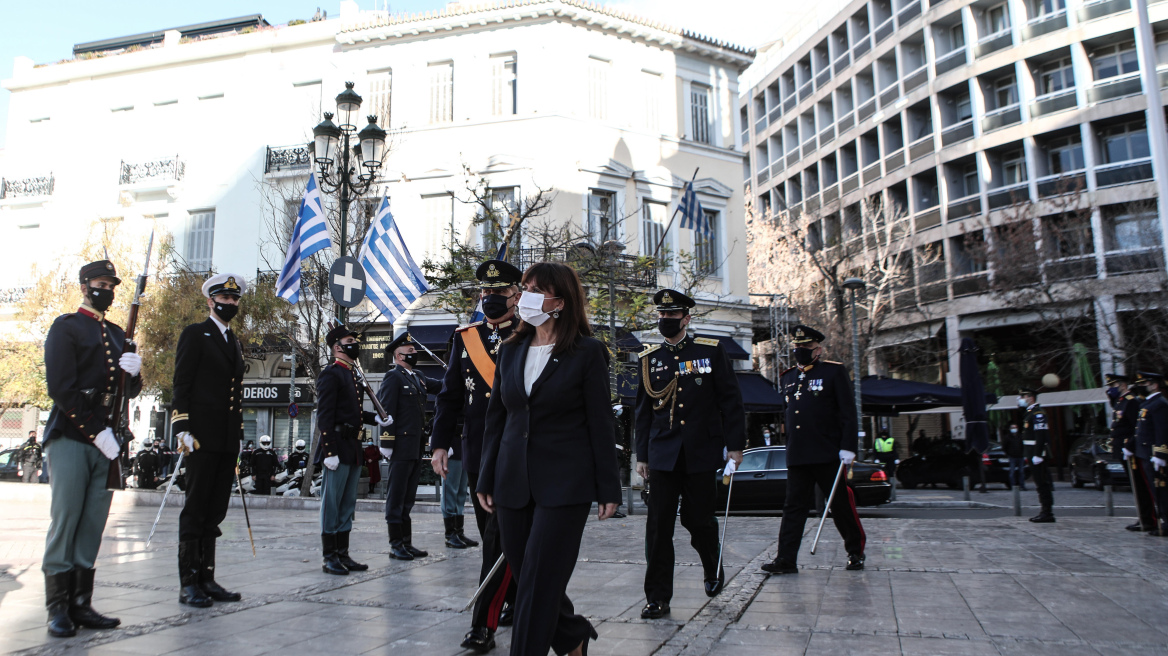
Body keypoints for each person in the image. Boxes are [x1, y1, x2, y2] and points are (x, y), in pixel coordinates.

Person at [477, 262, 621, 656]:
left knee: (539, 582)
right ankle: (572, 635)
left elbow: (600, 423)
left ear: (560, 301)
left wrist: (609, 486)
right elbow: (497, 420)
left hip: (564, 485)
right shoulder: (510, 350)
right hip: (512, 482)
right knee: (529, 579)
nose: (524, 296)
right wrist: (486, 476)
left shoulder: (587, 352)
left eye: (536, 290)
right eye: (524, 288)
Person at [41, 259, 142, 637]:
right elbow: (61, 388)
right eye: (100, 284)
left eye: (111, 286)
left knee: (93, 522)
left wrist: (136, 372)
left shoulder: (117, 334)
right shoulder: (66, 327)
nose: (107, 291)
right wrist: (95, 431)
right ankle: (57, 607)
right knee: (67, 517)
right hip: (72, 434)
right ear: (84, 287)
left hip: (108, 441)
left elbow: (126, 391)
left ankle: (81, 603)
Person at [634, 288, 745, 620]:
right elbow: (643, 412)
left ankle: (712, 566)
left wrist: (735, 446)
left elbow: (730, 400)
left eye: (672, 315)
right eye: (662, 315)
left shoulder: (709, 351)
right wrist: (642, 455)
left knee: (698, 520)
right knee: (658, 527)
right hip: (662, 454)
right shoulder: (649, 358)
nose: (665, 319)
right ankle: (657, 597)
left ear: (686, 318)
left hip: (700, 452)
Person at [431, 258, 522, 652]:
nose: (491, 298)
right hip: (478, 449)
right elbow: (449, 396)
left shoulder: (531, 333)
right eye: (486, 292)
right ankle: (516, 598)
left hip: (517, 451)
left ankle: (483, 624)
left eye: (499, 292)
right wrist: (439, 443)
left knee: (499, 539)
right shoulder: (465, 337)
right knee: (493, 536)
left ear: (516, 295)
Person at [762, 324, 865, 575]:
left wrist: (848, 447)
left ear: (818, 349)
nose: (801, 350)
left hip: (827, 452)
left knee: (840, 505)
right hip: (798, 453)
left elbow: (848, 413)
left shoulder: (833, 372)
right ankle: (786, 558)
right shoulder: (787, 377)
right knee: (793, 507)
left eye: (806, 346)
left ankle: (855, 551)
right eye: (798, 346)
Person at [171, 273, 248, 608]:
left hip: (226, 439)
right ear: (210, 301)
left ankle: (207, 578)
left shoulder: (234, 341)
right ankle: (188, 583)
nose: (229, 303)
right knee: (196, 508)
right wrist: (181, 428)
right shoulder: (195, 334)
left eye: (234, 299)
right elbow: (182, 383)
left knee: (215, 510)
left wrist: (237, 437)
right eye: (224, 298)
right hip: (200, 436)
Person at [316, 323, 394, 574]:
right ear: (337, 347)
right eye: (350, 341)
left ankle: (343, 553)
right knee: (332, 504)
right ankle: (330, 556)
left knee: (347, 503)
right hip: (337, 447)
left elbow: (355, 414)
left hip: (352, 447)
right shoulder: (331, 374)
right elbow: (325, 416)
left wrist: (376, 418)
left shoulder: (351, 375)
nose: (355, 344)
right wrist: (329, 452)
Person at [377, 331, 442, 560]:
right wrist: (386, 441)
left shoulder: (418, 376)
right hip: (400, 445)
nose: (415, 353)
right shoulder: (393, 377)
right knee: (396, 496)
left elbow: (441, 386)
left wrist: (462, 374)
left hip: (415, 445)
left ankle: (406, 542)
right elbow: (386, 410)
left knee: (408, 497)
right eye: (410, 350)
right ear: (399, 355)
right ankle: (396, 544)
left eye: (414, 349)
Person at [1108, 374, 1153, 532]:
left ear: (1123, 385)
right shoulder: (1120, 401)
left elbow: (1137, 427)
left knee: (1140, 485)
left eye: (1113, 385)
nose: (1110, 389)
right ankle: (1142, 517)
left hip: (1131, 449)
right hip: (1123, 449)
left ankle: (1147, 518)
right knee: (1136, 486)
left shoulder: (1131, 401)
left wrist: (1130, 445)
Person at [1133, 371, 1168, 536]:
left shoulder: (1159, 404)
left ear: (1154, 385)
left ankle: (1166, 523)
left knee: (1162, 491)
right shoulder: (1148, 403)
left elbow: (1162, 431)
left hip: (1154, 454)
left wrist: (1160, 454)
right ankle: (1164, 521)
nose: (1141, 386)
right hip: (1146, 453)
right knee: (1155, 491)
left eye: (1144, 384)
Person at [1018, 387, 1055, 523]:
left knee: (1042, 483)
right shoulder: (1030, 412)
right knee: (1039, 483)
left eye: (1024, 396)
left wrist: (1038, 454)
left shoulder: (1038, 413)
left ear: (1031, 397)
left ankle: (1047, 512)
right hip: (1031, 452)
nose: (1022, 399)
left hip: (1037, 453)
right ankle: (1045, 511)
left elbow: (1041, 434)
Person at [1003, 423, 1026, 491]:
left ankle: (1022, 486)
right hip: (1012, 457)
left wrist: (1023, 453)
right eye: (1012, 428)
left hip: (1020, 456)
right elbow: (1005, 447)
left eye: (1015, 427)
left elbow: (1023, 445)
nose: (1014, 429)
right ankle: (1013, 486)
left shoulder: (1020, 436)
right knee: (1012, 472)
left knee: (1021, 472)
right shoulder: (1007, 437)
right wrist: (1008, 454)